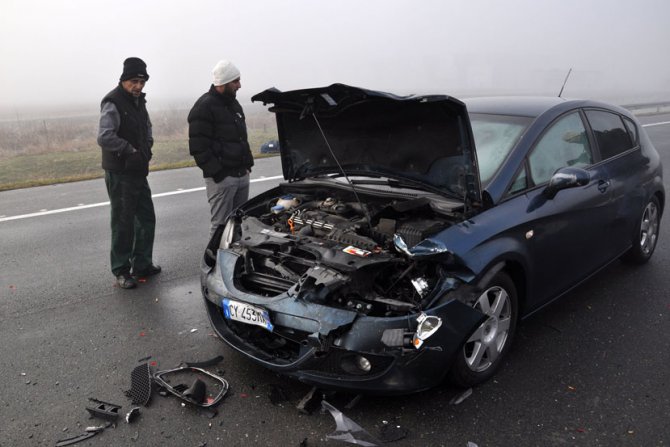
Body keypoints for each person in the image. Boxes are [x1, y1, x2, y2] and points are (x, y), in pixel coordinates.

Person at [97, 57, 161, 289]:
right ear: (124, 80)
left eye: (142, 82)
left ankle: (142, 263)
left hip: (137, 170)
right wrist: (130, 150)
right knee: (123, 222)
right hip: (120, 172)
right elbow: (104, 136)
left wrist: (147, 147)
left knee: (146, 217)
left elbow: (146, 127)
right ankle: (122, 270)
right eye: (134, 81)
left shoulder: (138, 102)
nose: (138, 86)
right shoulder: (113, 102)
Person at [188, 60, 254, 238]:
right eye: (235, 81)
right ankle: (212, 266)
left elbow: (242, 138)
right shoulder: (204, 107)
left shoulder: (234, 104)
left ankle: (235, 265)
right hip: (222, 180)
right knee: (220, 227)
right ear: (223, 83)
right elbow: (198, 147)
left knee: (239, 224)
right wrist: (218, 174)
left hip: (241, 175)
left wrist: (247, 165)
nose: (239, 85)